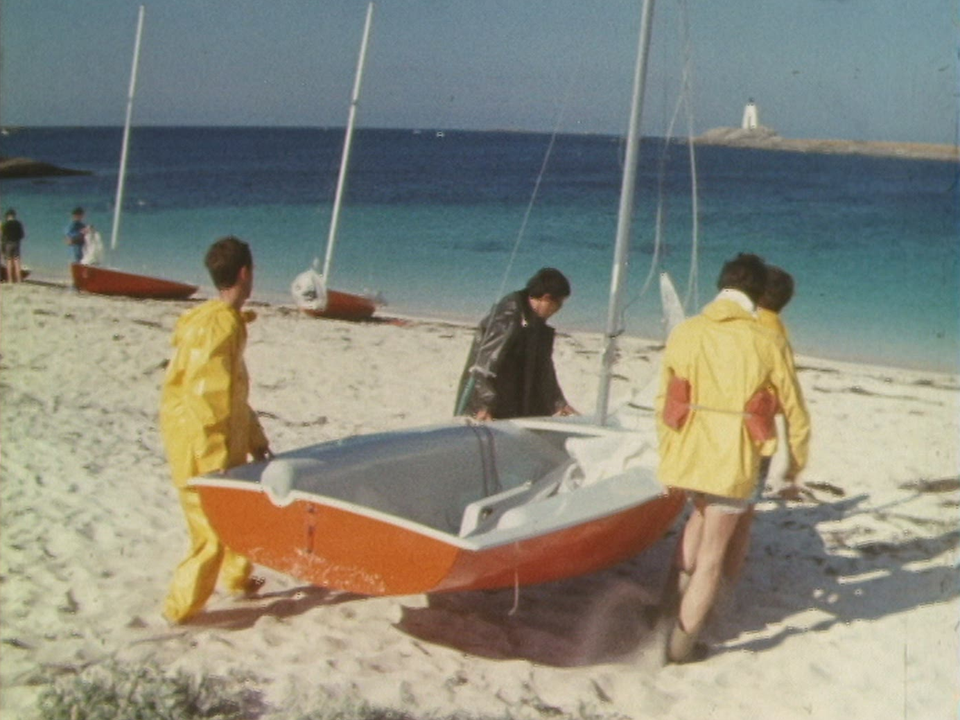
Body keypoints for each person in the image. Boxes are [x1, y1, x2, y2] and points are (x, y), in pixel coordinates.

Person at [655, 253, 810, 664]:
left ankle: (663, 612)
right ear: (758, 294)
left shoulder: (686, 331)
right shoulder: (767, 339)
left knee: (695, 525)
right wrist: (795, 462)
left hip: (689, 453)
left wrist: (669, 456)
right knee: (711, 558)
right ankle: (679, 648)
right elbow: (795, 410)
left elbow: (666, 401)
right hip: (732, 458)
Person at [159, 236, 271, 624]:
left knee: (239, 513)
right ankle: (179, 608)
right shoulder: (218, 325)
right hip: (201, 439)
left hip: (217, 432)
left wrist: (255, 439)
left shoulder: (219, 318)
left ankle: (239, 579)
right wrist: (216, 462)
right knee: (209, 527)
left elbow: (234, 392)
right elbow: (209, 397)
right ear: (245, 273)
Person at [723, 264, 798, 584]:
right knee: (743, 514)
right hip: (758, 433)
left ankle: (714, 576)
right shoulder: (778, 331)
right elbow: (783, 397)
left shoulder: (747, 323)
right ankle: (729, 579)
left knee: (715, 510)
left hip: (727, 428)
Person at [455, 267, 577, 420]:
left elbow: (543, 367)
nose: (558, 310)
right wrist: (483, 405)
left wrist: (558, 403)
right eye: (558, 304)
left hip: (512, 399)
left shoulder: (532, 320)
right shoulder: (508, 315)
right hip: (487, 405)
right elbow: (483, 366)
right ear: (546, 298)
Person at [1, 209, 25, 283]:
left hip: (8, 243)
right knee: (17, 262)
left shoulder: (6, 224)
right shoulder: (18, 223)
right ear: (14, 216)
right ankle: (18, 279)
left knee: (8, 262)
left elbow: (3, 236)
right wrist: (17, 239)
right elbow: (22, 235)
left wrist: (2, 247)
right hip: (16, 243)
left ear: (8, 216)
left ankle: (10, 280)